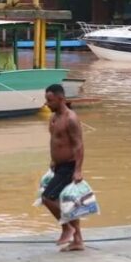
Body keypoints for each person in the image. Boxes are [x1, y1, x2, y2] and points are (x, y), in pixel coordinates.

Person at [42, 84, 85, 252]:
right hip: (58, 166)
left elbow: (79, 146)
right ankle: (78, 240)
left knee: (48, 197)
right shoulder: (53, 117)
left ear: (61, 99)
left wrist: (78, 170)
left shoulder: (71, 119)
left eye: (50, 100)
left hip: (69, 166)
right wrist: (53, 160)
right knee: (68, 203)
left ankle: (67, 227)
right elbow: (56, 141)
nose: (46, 103)